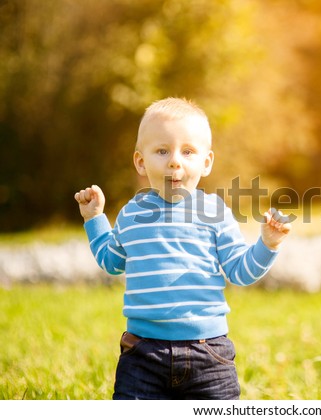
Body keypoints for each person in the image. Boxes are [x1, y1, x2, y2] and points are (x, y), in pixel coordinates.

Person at [74, 97, 291, 399]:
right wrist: (95, 219)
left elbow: (240, 271)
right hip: (143, 353)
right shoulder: (131, 214)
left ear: (206, 162)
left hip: (209, 353)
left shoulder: (215, 212)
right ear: (140, 161)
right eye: (162, 151)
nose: (175, 160)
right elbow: (111, 262)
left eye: (187, 151)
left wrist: (268, 244)